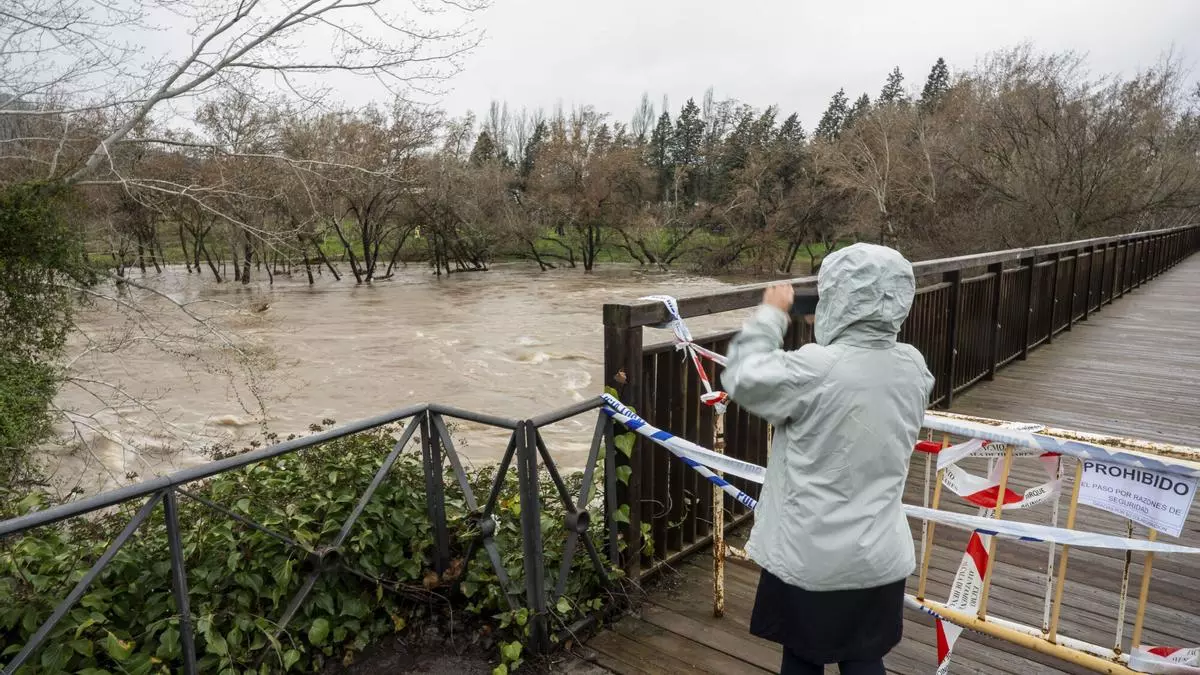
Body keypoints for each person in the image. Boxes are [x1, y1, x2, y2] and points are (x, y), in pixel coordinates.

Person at [720, 243, 935, 675]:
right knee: (864, 656)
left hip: (811, 559)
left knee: (802, 657)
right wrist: (839, 329)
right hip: (880, 554)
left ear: (836, 297)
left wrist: (772, 314)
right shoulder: (913, 367)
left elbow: (743, 375)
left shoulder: (814, 368)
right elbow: (858, 375)